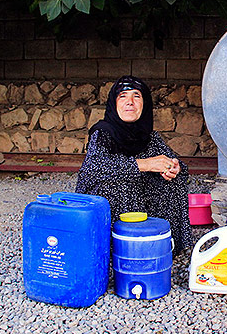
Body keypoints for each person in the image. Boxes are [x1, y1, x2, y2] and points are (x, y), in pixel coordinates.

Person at [75, 75, 191, 255]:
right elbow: (94, 167)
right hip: (104, 203)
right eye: (123, 96)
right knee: (120, 183)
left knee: (173, 182)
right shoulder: (103, 132)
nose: (130, 102)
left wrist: (174, 167)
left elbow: (178, 166)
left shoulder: (150, 137)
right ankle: (116, 251)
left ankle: (162, 246)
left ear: (144, 104)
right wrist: (144, 165)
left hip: (140, 200)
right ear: (114, 103)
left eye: (136, 96)